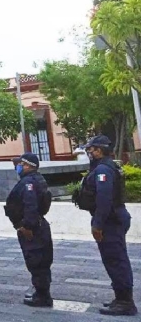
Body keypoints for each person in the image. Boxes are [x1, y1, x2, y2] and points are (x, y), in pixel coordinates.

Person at [76, 135, 136, 316]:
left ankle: (125, 302)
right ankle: (121, 298)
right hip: (114, 218)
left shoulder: (103, 170)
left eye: (91, 150)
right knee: (115, 259)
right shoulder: (107, 166)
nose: (89, 153)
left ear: (99, 150)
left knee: (115, 261)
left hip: (110, 220)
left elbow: (104, 199)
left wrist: (97, 224)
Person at [4, 152, 53, 307]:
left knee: (36, 261)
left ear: (29, 166)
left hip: (33, 229)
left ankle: (42, 296)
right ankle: (41, 292)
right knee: (39, 262)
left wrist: (26, 226)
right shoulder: (36, 179)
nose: (17, 167)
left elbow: (30, 206)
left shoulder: (29, 183)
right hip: (38, 225)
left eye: (20, 164)